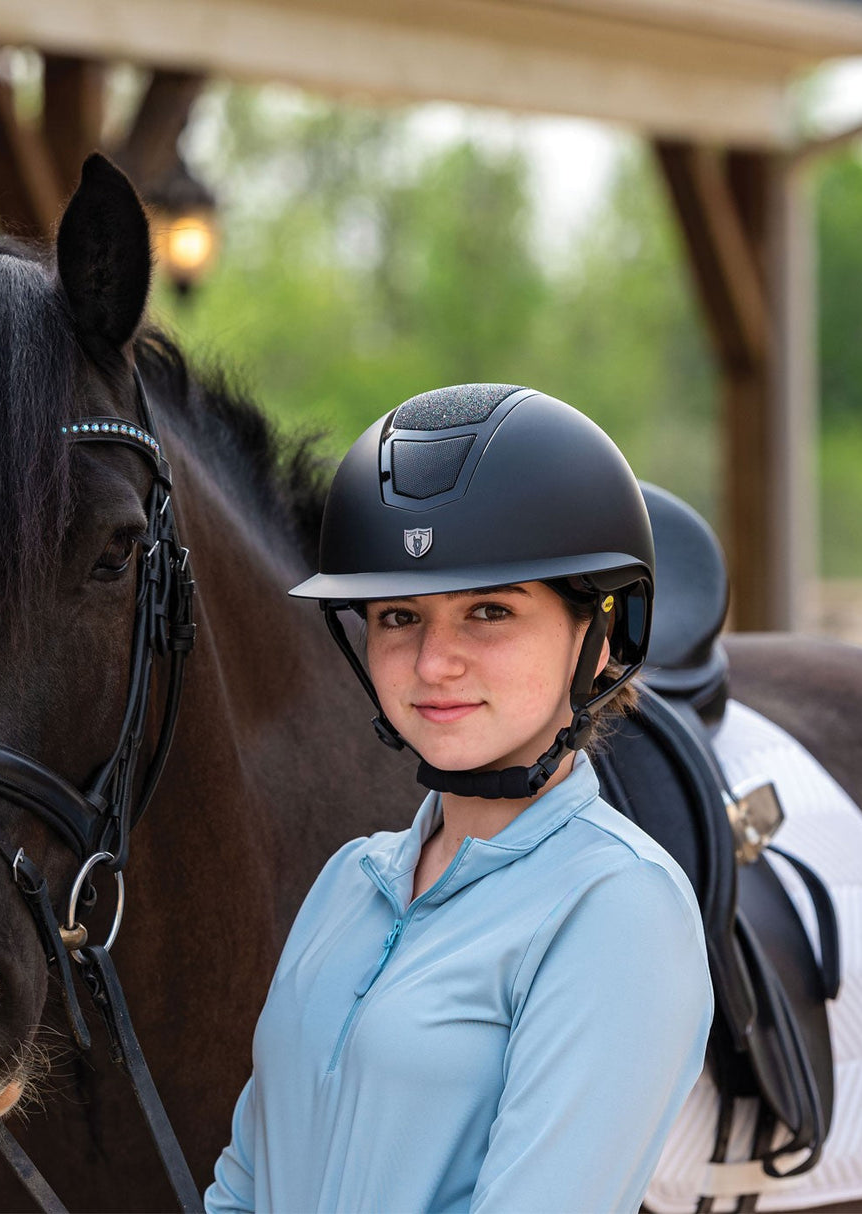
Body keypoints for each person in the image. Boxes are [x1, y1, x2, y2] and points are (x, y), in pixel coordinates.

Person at [204, 384, 713, 1214]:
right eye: (400, 615)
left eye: (489, 611)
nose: (434, 662)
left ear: (600, 635)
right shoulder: (348, 880)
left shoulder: (619, 907)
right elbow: (244, 1184)